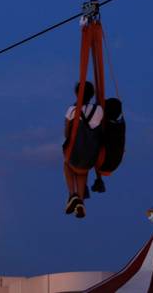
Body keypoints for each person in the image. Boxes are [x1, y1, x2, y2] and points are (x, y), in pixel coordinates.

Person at [63, 81, 102, 218]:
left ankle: (72, 194)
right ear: (92, 95)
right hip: (91, 155)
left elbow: (66, 133)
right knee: (82, 170)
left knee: (67, 164)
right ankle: (80, 201)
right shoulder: (99, 110)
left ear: (76, 94)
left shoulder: (72, 110)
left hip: (75, 154)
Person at [92, 97, 125, 193]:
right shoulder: (121, 125)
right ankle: (99, 180)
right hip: (115, 162)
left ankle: (89, 182)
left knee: (91, 145)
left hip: (105, 162)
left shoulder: (107, 127)